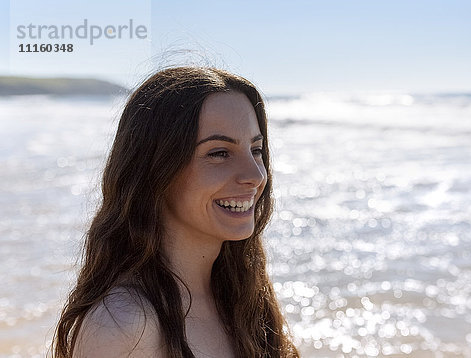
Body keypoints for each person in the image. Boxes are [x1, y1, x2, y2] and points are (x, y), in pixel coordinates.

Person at [52, 67, 300, 357]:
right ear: (156, 169)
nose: (255, 175)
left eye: (256, 150)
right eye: (219, 153)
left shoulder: (242, 296)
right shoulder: (123, 327)